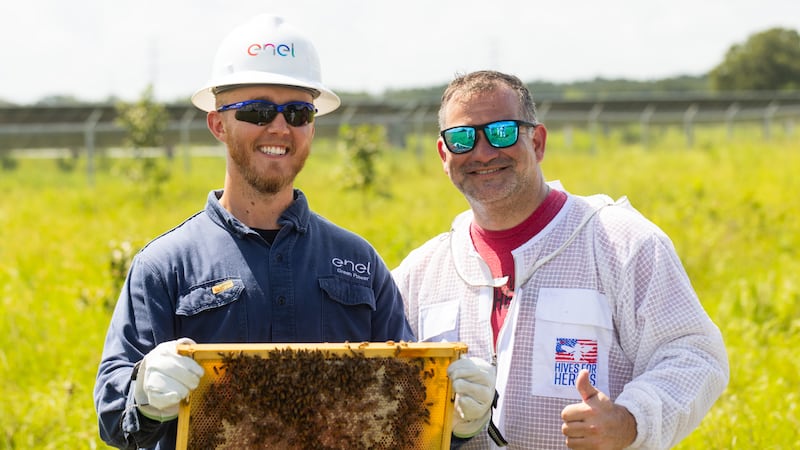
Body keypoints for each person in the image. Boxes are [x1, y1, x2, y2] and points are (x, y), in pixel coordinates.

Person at [93, 15, 413, 450]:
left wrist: (461, 417)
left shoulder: (359, 261)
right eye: (257, 111)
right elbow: (114, 420)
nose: (279, 127)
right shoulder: (165, 265)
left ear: (312, 126)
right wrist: (144, 393)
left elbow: (411, 402)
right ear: (218, 124)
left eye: (298, 112)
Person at [392, 70, 729, 449]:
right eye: (463, 138)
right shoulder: (421, 273)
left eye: (502, 132)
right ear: (444, 154)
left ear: (537, 142)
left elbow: (693, 354)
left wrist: (629, 420)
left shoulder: (622, 243)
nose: (483, 153)